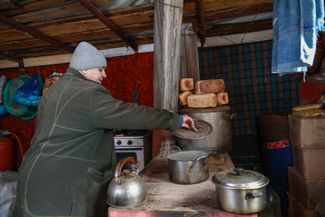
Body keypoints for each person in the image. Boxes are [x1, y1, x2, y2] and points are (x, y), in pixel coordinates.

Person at [14, 41, 196, 217]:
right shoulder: (89, 93)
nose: (105, 75)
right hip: (62, 186)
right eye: (100, 69)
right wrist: (175, 120)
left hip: (31, 176)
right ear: (84, 69)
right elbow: (130, 114)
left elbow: (71, 134)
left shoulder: (52, 92)